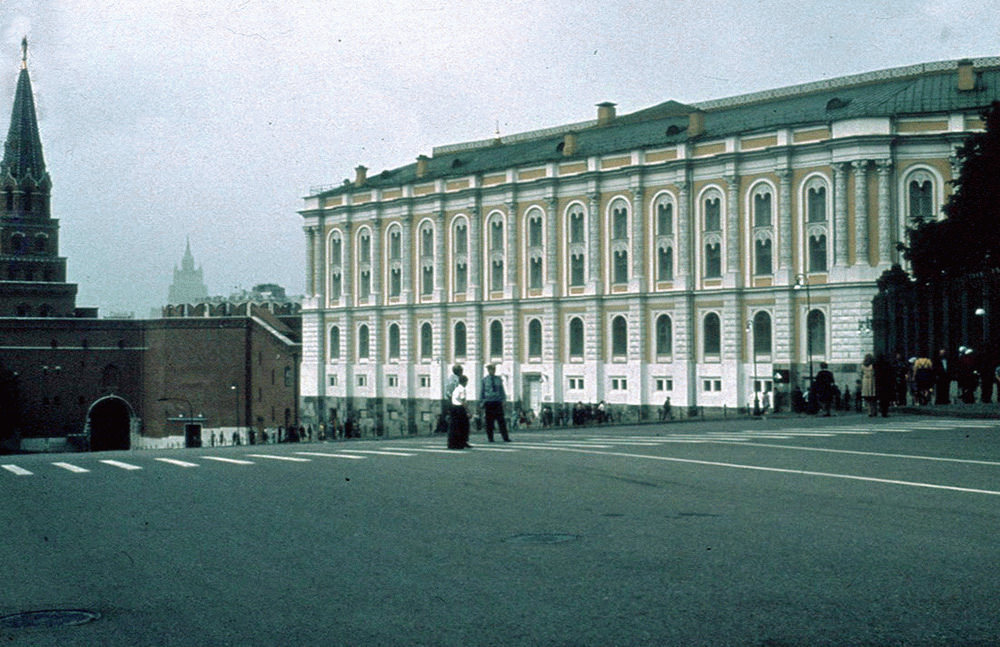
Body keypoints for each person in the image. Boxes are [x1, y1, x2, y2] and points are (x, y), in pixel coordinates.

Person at [480, 363, 510, 442]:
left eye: (493, 369)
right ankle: (490, 438)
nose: (492, 371)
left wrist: (504, 400)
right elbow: (482, 392)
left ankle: (505, 437)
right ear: (488, 370)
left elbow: (502, 390)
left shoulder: (498, 379)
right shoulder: (484, 380)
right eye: (491, 369)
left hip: (497, 402)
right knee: (489, 421)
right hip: (489, 402)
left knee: (501, 421)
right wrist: (481, 402)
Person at [448, 375, 471, 449]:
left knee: (454, 427)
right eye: (466, 382)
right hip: (460, 408)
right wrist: (468, 411)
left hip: (453, 408)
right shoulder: (462, 389)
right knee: (463, 426)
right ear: (464, 382)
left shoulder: (456, 389)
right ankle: (461, 442)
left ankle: (452, 443)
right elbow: (463, 401)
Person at [443, 363, 464, 439]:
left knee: (455, 422)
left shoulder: (451, 378)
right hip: (455, 403)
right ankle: (458, 440)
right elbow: (452, 391)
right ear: (459, 371)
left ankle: (458, 439)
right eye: (461, 370)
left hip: (451, 402)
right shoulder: (455, 380)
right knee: (458, 422)